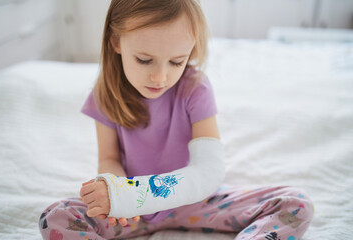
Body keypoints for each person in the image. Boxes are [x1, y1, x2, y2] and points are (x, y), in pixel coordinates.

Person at [39, 0, 314, 239]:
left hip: (197, 201)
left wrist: (133, 195)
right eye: (145, 60)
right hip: (134, 211)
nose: (160, 77)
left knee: (295, 203)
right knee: (56, 217)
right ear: (116, 42)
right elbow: (109, 158)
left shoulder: (195, 88)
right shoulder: (105, 94)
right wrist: (116, 193)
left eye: (176, 62)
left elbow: (208, 170)